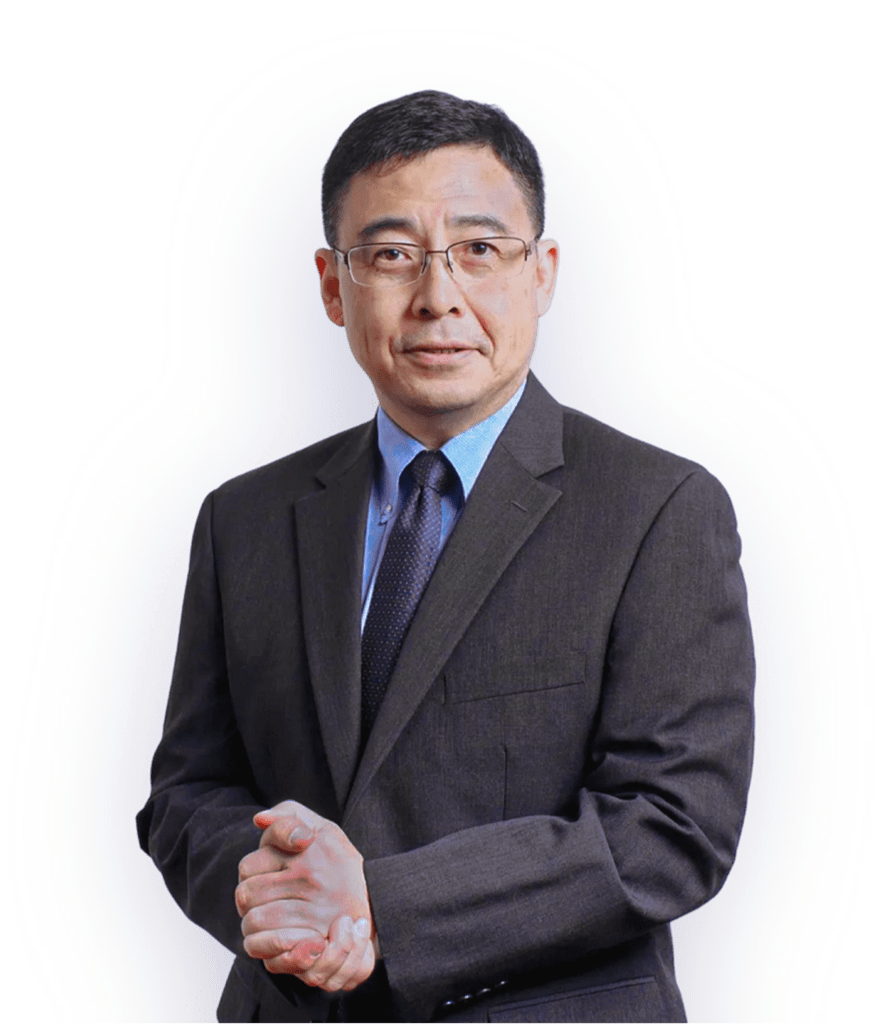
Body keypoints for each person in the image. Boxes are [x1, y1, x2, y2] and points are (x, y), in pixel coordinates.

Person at [136, 90, 755, 1023]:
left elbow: (672, 828)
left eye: (480, 249)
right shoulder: (245, 518)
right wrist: (279, 897)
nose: (438, 298)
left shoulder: (658, 509)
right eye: (391, 255)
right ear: (333, 285)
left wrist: (381, 907)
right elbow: (188, 791)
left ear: (542, 273)